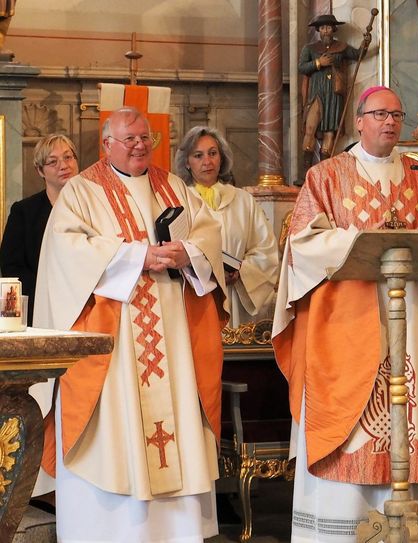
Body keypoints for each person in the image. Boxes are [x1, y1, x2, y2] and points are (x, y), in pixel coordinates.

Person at [35, 107, 228, 542]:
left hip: (172, 334)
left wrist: (188, 253)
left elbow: (208, 233)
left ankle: (176, 532)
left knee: (177, 424)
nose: (140, 145)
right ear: (107, 144)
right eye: (130, 139)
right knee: (113, 434)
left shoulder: (172, 185)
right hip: (113, 340)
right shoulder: (82, 191)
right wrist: (136, 255)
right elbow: (66, 251)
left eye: (146, 138)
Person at [272, 86, 418, 542]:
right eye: (379, 114)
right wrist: (360, 241)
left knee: (410, 413)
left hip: (410, 315)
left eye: (396, 114)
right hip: (345, 321)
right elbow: (302, 243)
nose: (389, 122)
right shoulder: (326, 175)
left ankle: (407, 525)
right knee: (350, 424)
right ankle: (340, 530)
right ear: (359, 121)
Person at [175, 126, 279, 327]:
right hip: (197, 295)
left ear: (221, 157)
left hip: (237, 296)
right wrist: (207, 272)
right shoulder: (179, 201)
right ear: (187, 162)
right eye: (198, 155)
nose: (207, 161)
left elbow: (265, 249)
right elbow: (174, 250)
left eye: (213, 153)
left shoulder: (244, 200)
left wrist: (242, 272)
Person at [0, 134, 78, 326]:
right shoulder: (24, 212)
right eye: (53, 162)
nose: (63, 166)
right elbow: (11, 267)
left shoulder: (95, 205)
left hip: (87, 306)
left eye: (68, 157)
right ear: (40, 170)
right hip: (40, 309)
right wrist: (50, 291)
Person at [298, 13, 371, 166]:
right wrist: (318, 62)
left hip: (333, 95)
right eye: (322, 28)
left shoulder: (341, 47)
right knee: (310, 128)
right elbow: (302, 67)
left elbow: (358, 55)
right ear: (318, 30)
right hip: (316, 93)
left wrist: (365, 43)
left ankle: (324, 168)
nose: (326, 31)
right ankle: (306, 170)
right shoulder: (310, 49)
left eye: (329, 27)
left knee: (329, 132)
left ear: (334, 29)